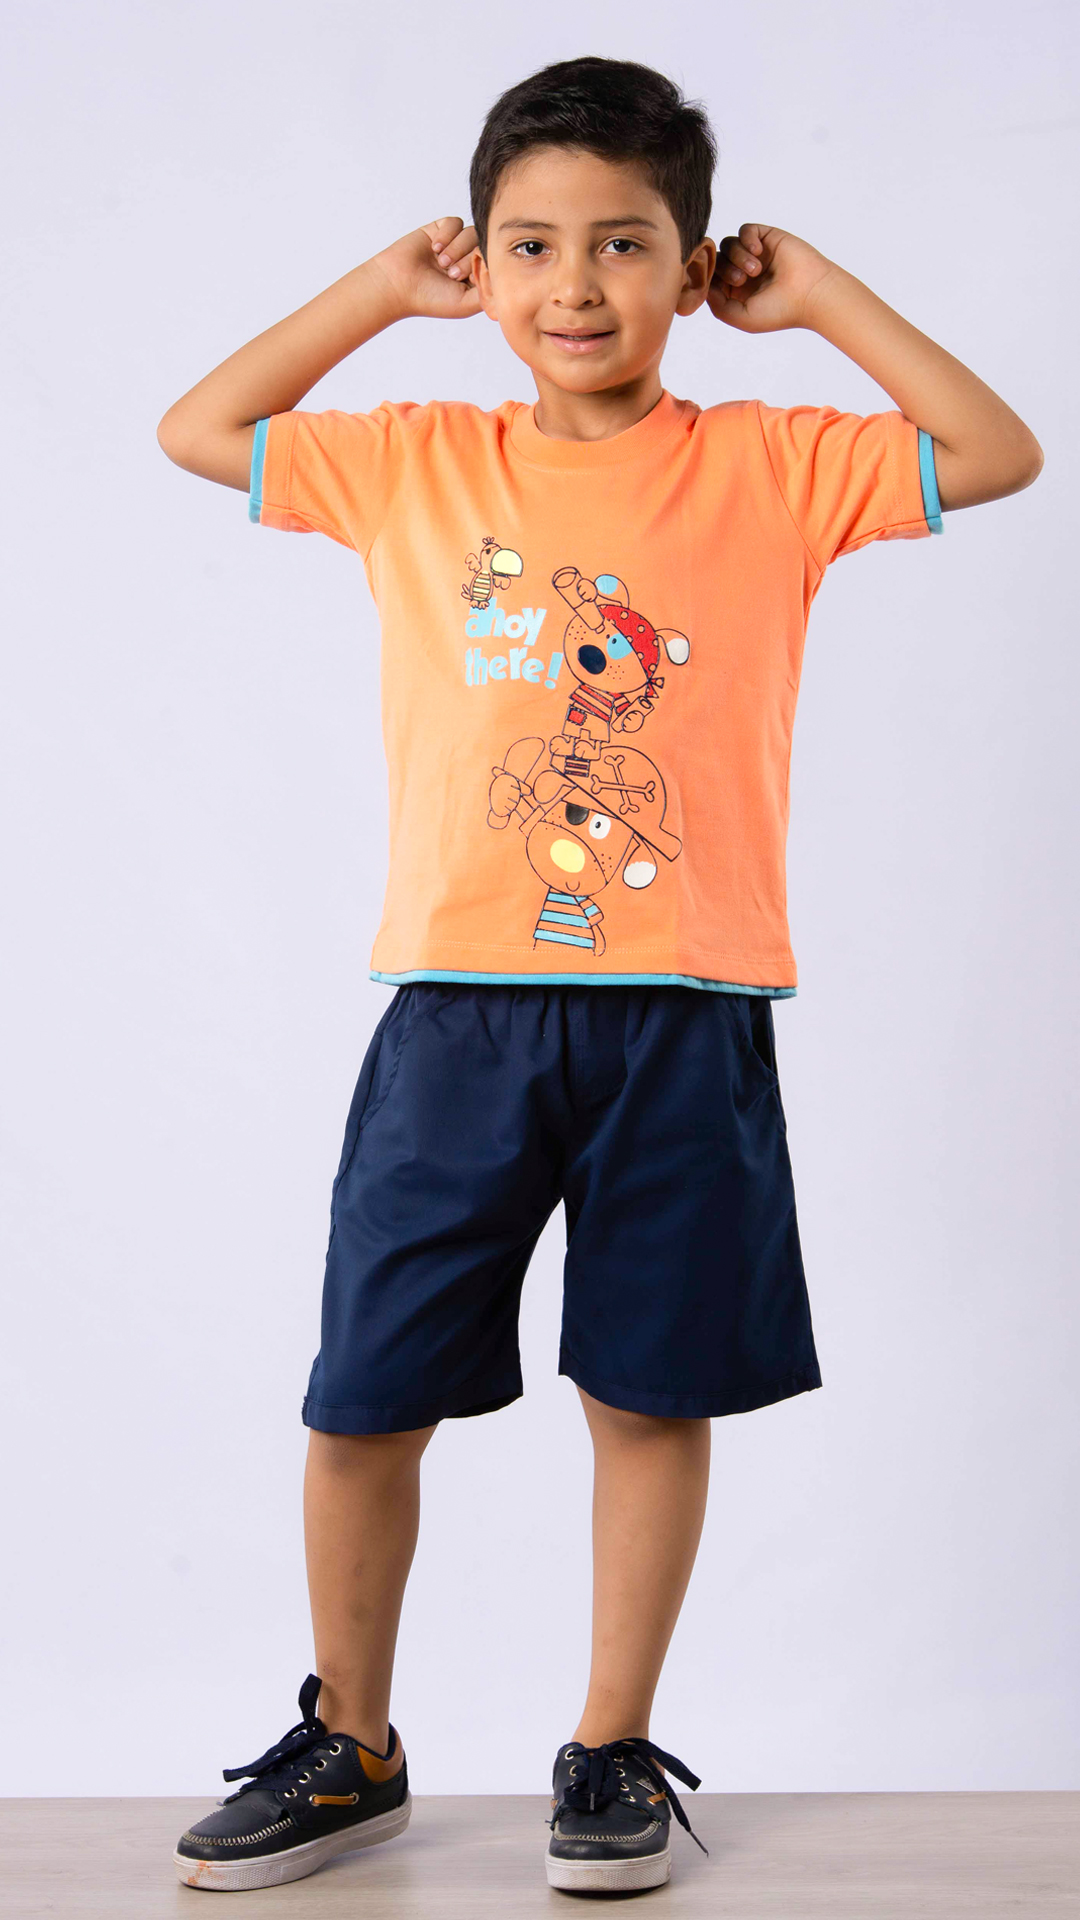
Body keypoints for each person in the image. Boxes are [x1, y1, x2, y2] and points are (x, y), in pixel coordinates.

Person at [157, 54, 1042, 1898]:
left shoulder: (770, 464)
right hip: (457, 1011)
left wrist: (825, 298)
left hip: (687, 1013)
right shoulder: (415, 457)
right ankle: (352, 1744)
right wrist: (377, 288)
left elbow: (995, 450)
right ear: (479, 262)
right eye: (533, 245)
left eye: (625, 243)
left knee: (648, 1392)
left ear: (693, 265)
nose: (576, 284)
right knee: (361, 1394)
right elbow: (198, 424)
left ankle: (611, 1748)